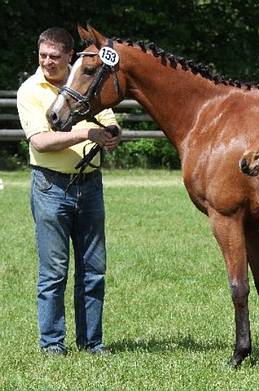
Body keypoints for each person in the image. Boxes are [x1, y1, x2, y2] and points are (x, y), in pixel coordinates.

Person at [16, 27, 120, 355]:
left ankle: (92, 343)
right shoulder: (30, 90)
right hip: (51, 187)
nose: (47, 61)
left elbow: (108, 119)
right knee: (54, 272)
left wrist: (113, 132)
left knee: (93, 270)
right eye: (43, 55)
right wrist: (86, 132)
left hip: (90, 186)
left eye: (54, 56)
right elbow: (41, 142)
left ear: (69, 58)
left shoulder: (87, 83)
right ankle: (52, 345)